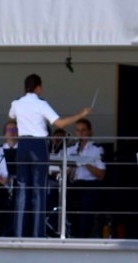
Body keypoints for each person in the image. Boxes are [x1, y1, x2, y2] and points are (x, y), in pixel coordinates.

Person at [8, 74, 94, 238]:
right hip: (38, 145)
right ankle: (37, 234)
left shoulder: (16, 103)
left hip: (23, 145)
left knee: (22, 189)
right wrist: (82, 113)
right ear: (38, 87)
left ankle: (19, 232)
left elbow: (11, 115)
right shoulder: (41, 104)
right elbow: (60, 124)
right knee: (39, 189)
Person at [63, 118, 107, 237]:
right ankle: (69, 230)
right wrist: (68, 169)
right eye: (78, 131)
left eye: (83, 130)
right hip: (74, 184)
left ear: (89, 132)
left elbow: (101, 175)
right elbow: (57, 167)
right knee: (62, 197)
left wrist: (85, 162)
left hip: (91, 184)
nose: (80, 133)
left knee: (86, 205)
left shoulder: (96, 149)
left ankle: (83, 234)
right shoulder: (70, 149)